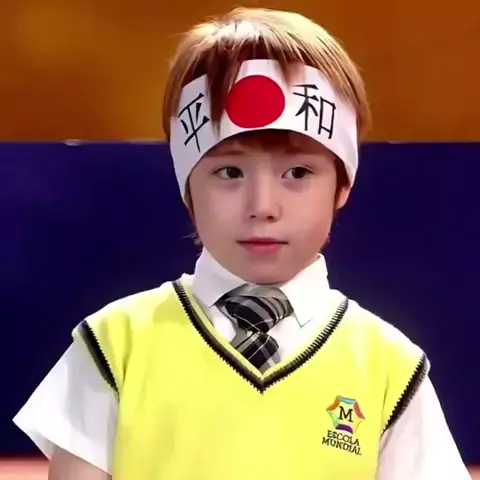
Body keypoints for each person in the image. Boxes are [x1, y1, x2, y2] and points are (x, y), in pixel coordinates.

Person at [14, 7, 470, 480]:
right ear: (187, 185)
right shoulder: (113, 346)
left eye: (298, 172)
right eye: (229, 171)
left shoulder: (391, 369)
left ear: (342, 185)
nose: (263, 206)